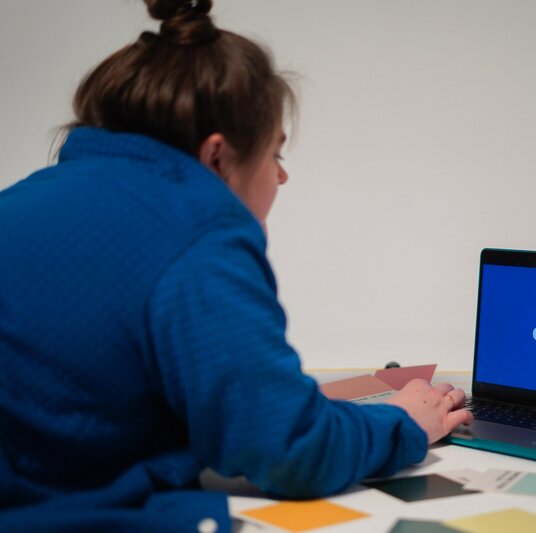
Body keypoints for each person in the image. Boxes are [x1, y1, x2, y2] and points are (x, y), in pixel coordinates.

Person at [0, 1, 472, 530]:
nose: (281, 179)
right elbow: (290, 450)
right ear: (216, 157)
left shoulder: (22, 200)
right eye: (277, 156)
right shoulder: (196, 232)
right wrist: (403, 422)